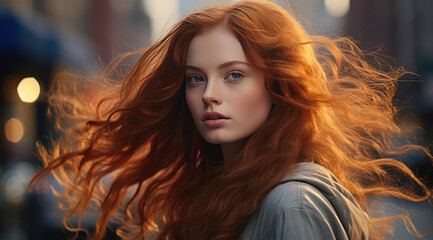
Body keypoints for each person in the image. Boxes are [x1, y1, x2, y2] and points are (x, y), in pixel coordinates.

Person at [30, 0, 432, 239]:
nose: (208, 94)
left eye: (234, 74)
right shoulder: (224, 191)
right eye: (195, 79)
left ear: (278, 84)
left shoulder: (292, 203)